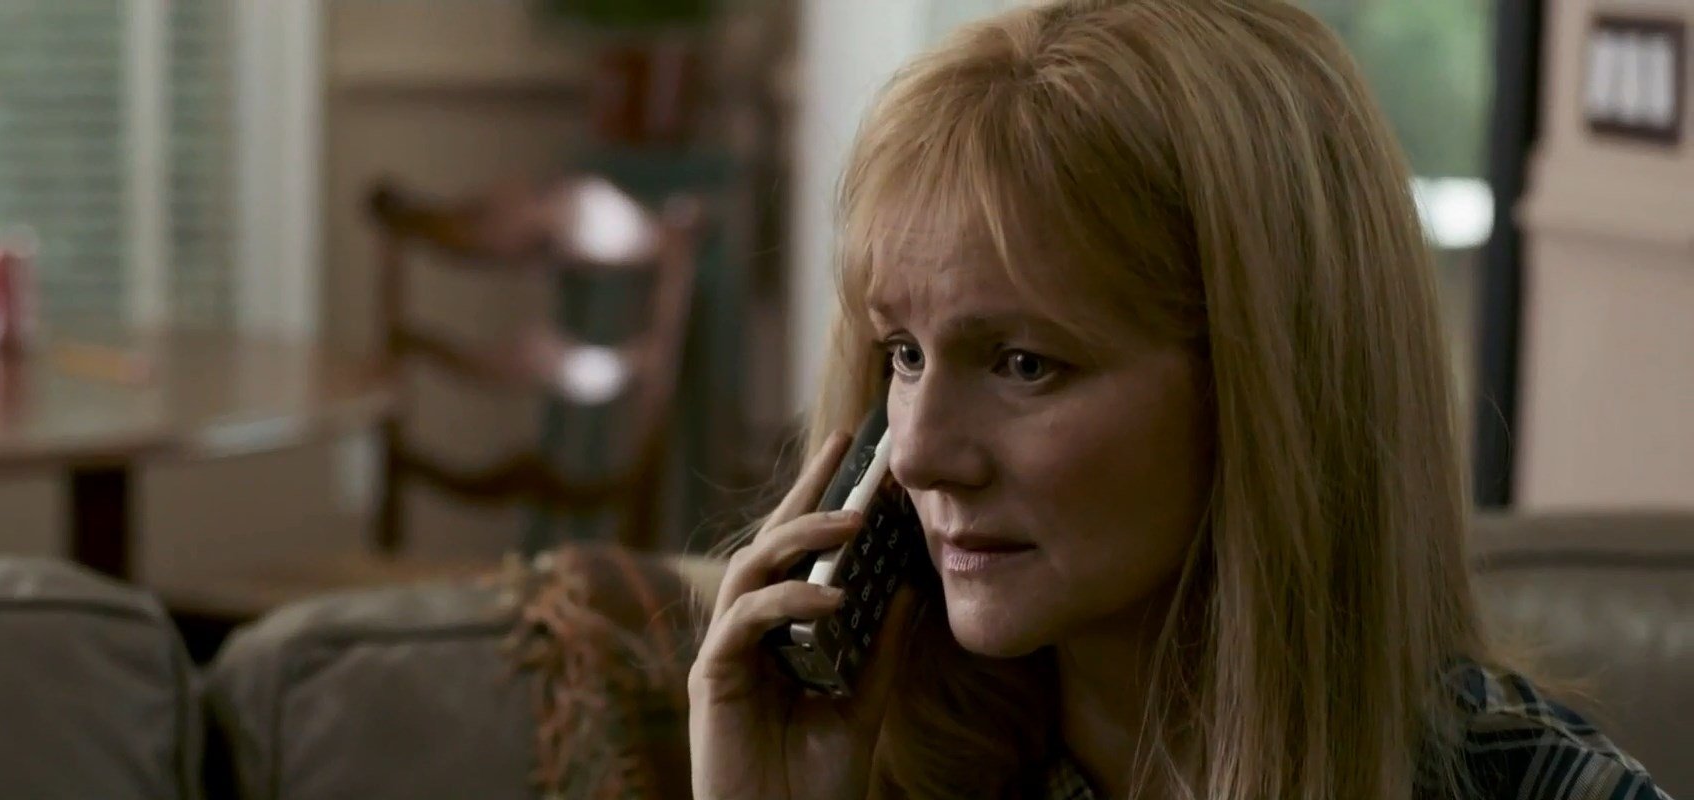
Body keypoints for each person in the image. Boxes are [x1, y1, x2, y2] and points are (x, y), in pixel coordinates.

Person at [687, 1, 1672, 798]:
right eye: (903, 353)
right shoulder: (880, 767)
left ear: (1267, 389)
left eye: (1024, 364)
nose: (916, 454)